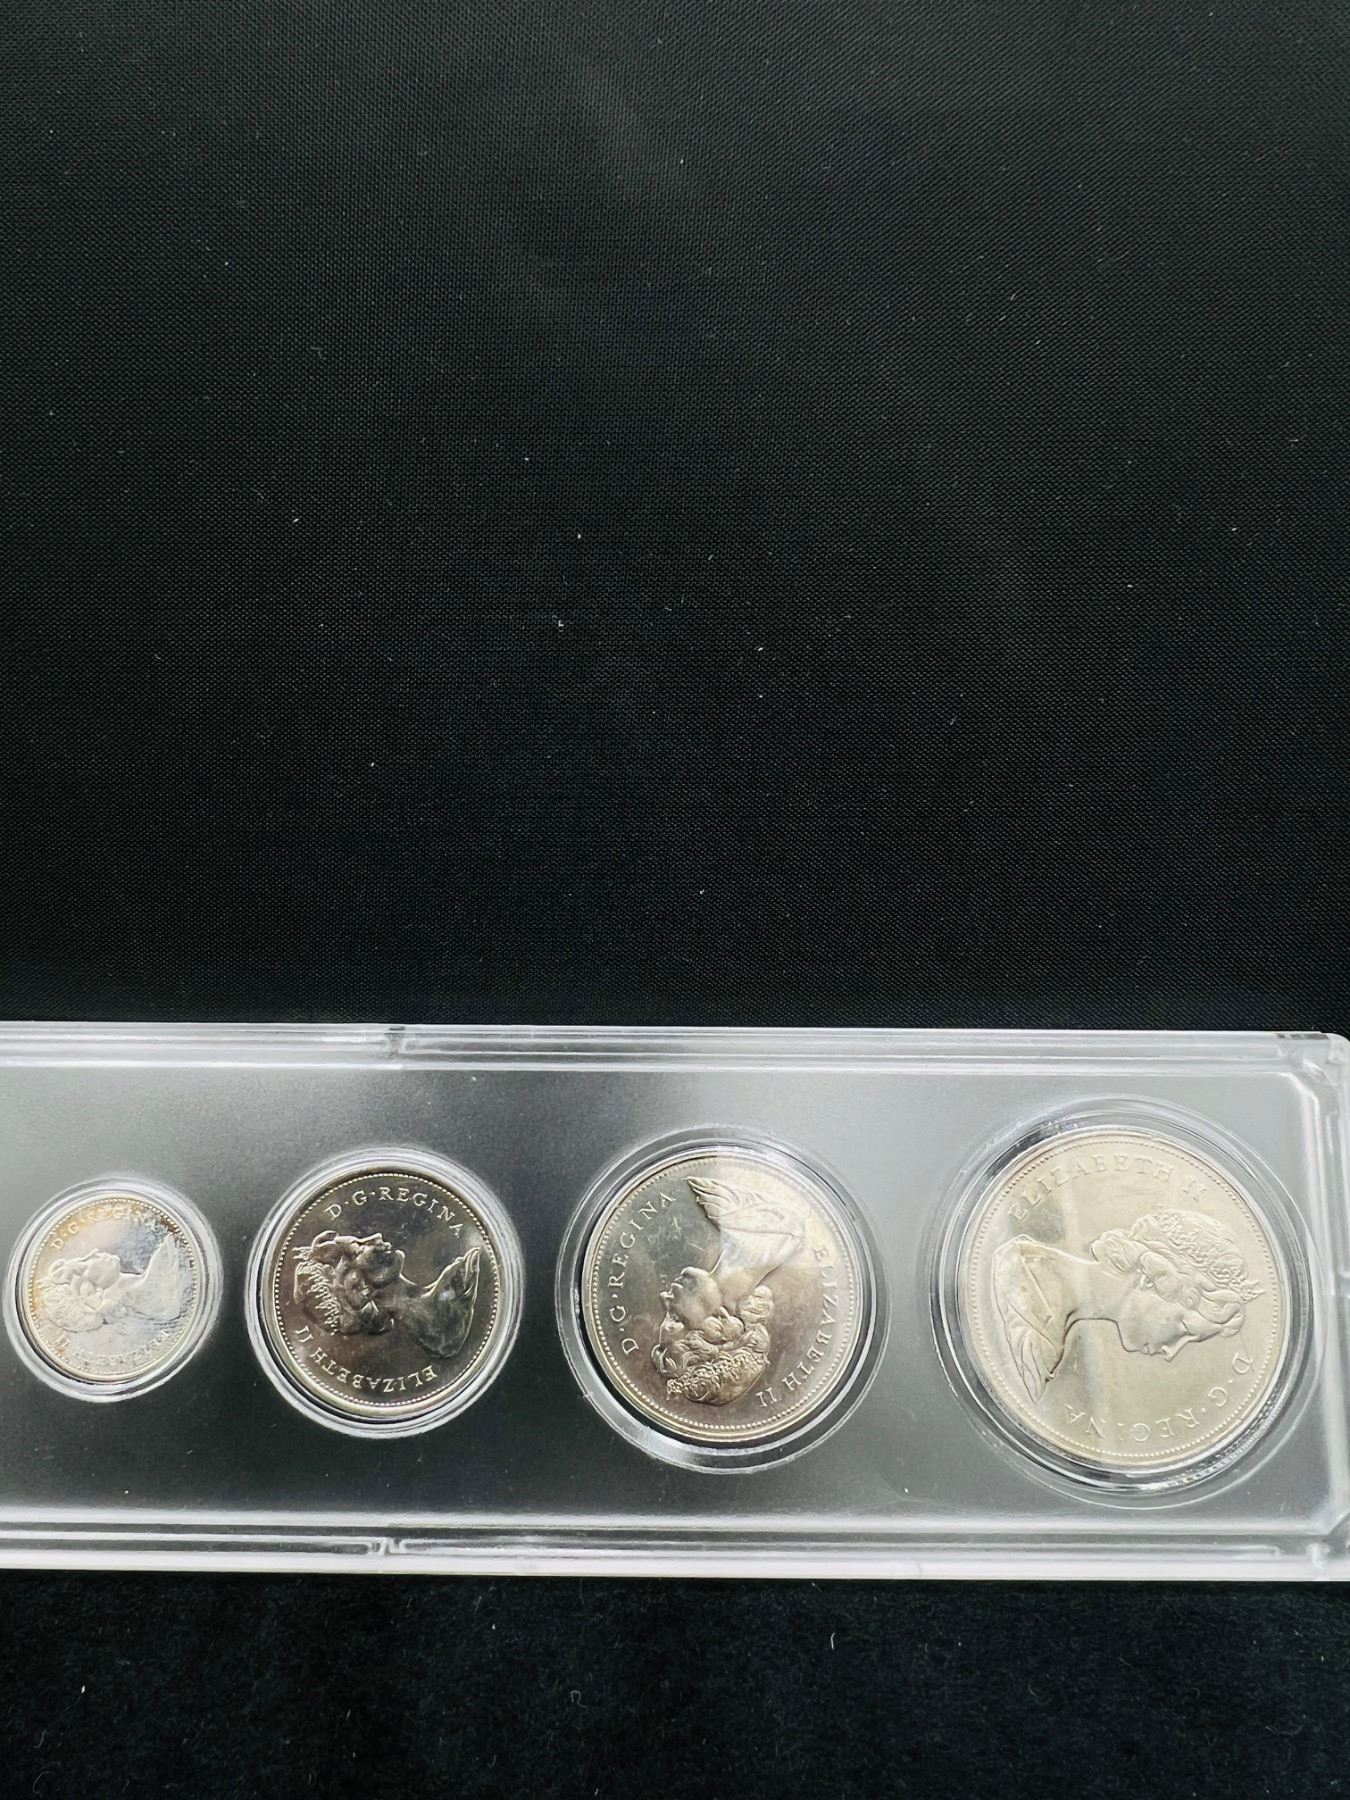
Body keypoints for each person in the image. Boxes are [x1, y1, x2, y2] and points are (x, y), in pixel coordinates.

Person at [993, 1207, 1263, 1402]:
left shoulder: (1049, 1316)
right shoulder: (1018, 1281)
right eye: (1185, 1329)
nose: (1171, 1351)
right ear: (1153, 1279)